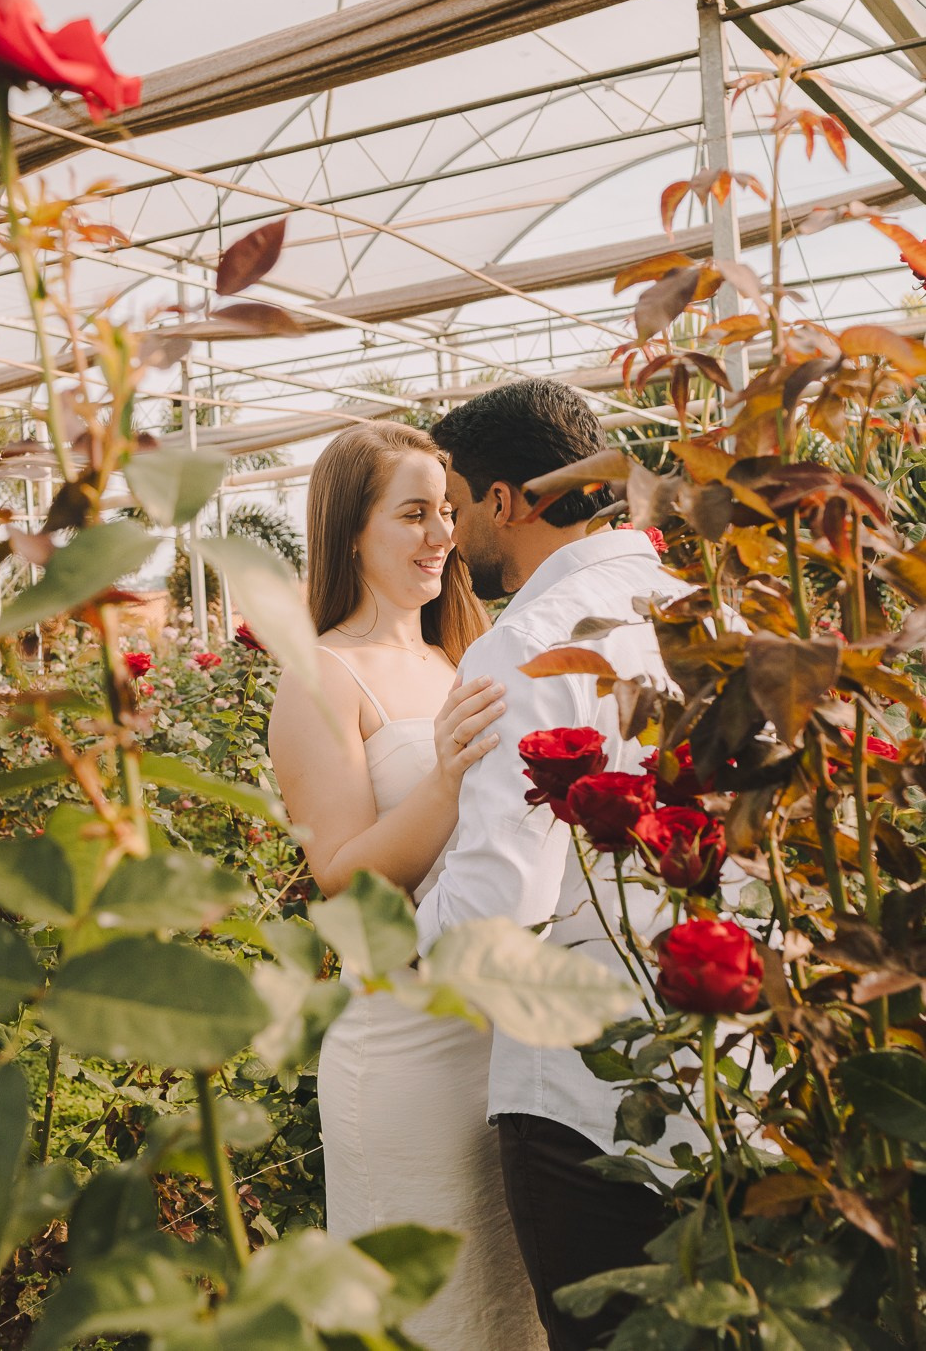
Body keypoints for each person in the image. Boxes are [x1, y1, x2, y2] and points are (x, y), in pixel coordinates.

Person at [269, 420, 545, 1351]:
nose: (443, 536)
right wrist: (447, 778)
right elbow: (342, 883)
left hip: (494, 1040)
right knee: (430, 1311)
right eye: (413, 514)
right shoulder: (322, 676)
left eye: (447, 513)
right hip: (403, 1051)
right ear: (352, 530)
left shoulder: (461, 657)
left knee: (507, 1304)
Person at [414, 378, 676, 1351]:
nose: (450, 535)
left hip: (586, 1096)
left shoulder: (521, 644)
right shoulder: (699, 611)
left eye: (454, 500)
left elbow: (498, 910)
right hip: (724, 1066)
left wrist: (379, 940)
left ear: (506, 502)